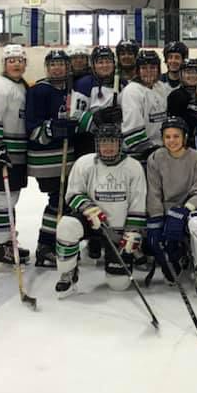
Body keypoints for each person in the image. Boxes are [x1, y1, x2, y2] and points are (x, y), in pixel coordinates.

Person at [53, 124, 147, 298]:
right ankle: (68, 272)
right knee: (67, 225)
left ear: (120, 144)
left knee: (118, 285)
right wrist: (89, 209)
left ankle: (119, 264)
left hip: (118, 231)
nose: (108, 147)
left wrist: (133, 231)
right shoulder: (85, 163)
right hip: (91, 222)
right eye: (104, 143)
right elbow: (72, 194)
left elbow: (138, 203)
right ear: (97, 144)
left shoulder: (133, 167)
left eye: (112, 142)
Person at [144, 116, 197, 295]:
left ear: (185, 137)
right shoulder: (155, 158)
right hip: (166, 209)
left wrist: (184, 210)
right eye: (167, 137)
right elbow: (154, 192)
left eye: (176, 136)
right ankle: (174, 260)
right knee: (158, 241)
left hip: (191, 209)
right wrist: (156, 218)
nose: (172, 141)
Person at [0, 44, 31, 269]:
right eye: (12, 60)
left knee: (12, 199)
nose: (16, 64)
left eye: (20, 60)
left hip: (17, 153)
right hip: (2, 153)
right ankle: (1, 248)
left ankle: (9, 243)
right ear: (4, 63)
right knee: (4, 199)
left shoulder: (22, 87)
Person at [25, 49, 77, 267]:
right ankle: (45, 246)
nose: (58, 68)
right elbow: (31, 126)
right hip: (47, 159)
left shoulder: (70, 89)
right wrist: (51, 129)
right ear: (47, 68)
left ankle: (55, 243)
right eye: (53, 64)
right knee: (58, 201)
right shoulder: (39, 91)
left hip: (66, 157)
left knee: (64, 201)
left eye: (62, 64)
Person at [120, 50, 167, 160]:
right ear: (138, 70)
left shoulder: (160, 87)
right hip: (138, 153)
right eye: (144, 68)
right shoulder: (132, 91)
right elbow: (133, 130)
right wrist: (151, 151)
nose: (149, 72)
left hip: (160, 149)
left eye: (153, 68)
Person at [72, 45, 122, 143]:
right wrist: (95, 118)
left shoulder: (122, 83)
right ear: (93, 65)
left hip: (116, 141)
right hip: (90, 141)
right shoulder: (84, 84)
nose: (105, 65)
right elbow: (74, 116)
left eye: (108, 62)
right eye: (100, 62)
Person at [166, 57, 197, 145]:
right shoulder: (176, 96)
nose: (192, 76)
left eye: (196, 72)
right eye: (188, 72)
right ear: (181, 75)